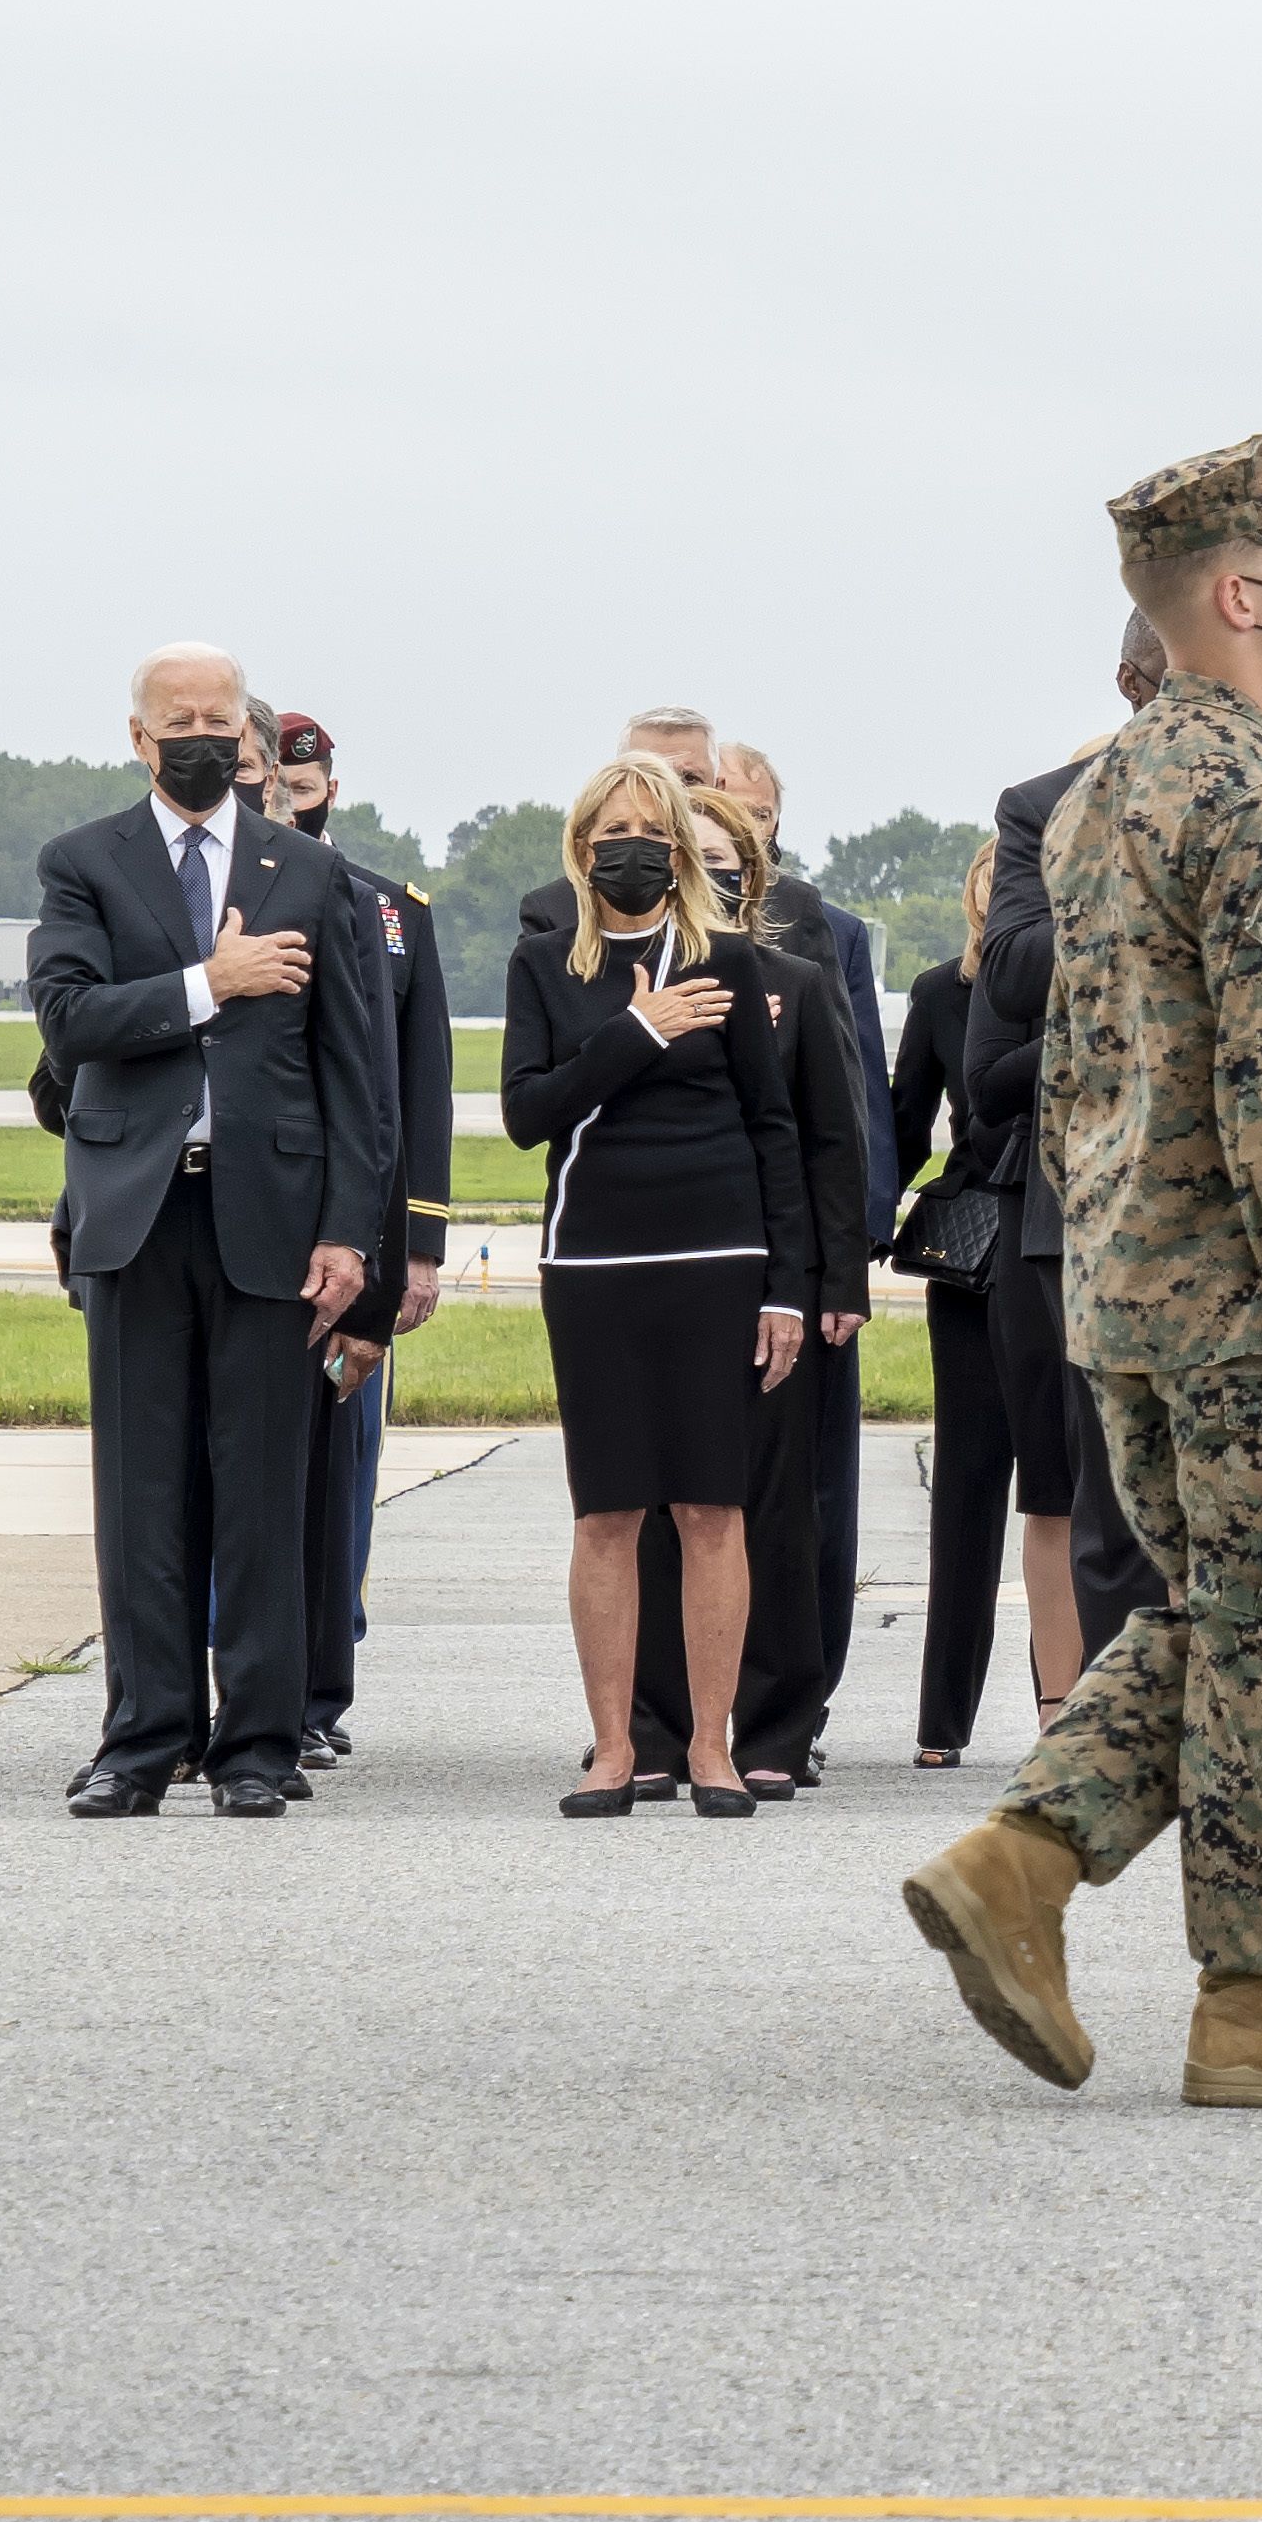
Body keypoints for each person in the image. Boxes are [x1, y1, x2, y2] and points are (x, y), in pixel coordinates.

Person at [902, 435, 1262, 2108]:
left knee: (1211, 1612)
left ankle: (1025, 1858)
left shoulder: (1101, 794)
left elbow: (1070, 1070)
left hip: (1130, 1280)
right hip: (1257, 1298)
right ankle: (1258, 1993)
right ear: (1240, 591)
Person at [38, 646, 392, 1819]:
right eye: (173, 719)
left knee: (261, 1489)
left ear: (244, 731)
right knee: (141, 1489)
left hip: (272, 1222)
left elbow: (356, 1070)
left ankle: (257, 1743)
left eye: (216, 718)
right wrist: (213, 978)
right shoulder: (85, 862)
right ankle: (140, 1740)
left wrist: (351, 1229)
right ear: (138, 738)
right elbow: (71, 1016)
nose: (198, 735)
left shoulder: (308, 871)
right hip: (138, 1213)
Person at [500, 753, 806, 1817]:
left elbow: (774, 1127)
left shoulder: (724, 957)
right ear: (584, 848)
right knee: (608, 1511)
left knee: (713, 1506)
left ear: (677, 846)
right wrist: (637, 1031)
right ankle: (614, 1746)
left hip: (717, 1261)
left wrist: (787, 1288)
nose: (632, 846)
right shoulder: (545, 963)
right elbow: (528, 1113)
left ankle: (714, 1746)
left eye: (651, 829)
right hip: (593, 1262)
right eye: (611, 830)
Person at [969, 613, 1174, 1664]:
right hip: (1095, 1200)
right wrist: (1135, 879)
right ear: (1132, 680)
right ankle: (1115, 1729)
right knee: (1114, 1502)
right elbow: (1007, 968)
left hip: (1248, 1204)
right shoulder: (1047, 808)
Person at [266, 709, 450, 1770]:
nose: (293, 788)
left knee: (343, 1470)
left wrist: (417, 1245)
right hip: (257, 1225)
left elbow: (414, 1091)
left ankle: (321, 1688)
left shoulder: (392, 911)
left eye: (307, 773)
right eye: (274, 775)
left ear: (332, 780)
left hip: (361, 1245)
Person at [707, 739, 884, 1767]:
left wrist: (847, 1254)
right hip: (684, 1243)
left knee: (803, 1498)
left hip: (797, 1251)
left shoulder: (820, 934)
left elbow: (850, 1106)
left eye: (754, 819)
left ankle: (791, 1712)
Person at [891, 839, 1080, 1762]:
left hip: (1062, 1243)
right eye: (993, 873)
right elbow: (908, 1123)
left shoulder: (1084, 979)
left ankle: (1072, 1700)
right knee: (967, 1488)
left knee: (1063, 1484)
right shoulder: (941, 993)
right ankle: (942, 1722)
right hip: (977, 1259)